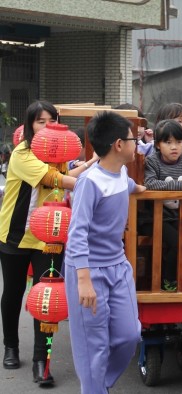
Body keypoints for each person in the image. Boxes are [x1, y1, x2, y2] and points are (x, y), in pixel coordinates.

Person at [64, 111, 145, 394]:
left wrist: (144, 188)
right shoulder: (89, 182)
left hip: (118, 266)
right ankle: (94, 388)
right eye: (134, 139)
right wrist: (83, 280)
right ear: (118, 145)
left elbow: (127, 186)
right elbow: (77, 234)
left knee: (129, 335)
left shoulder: (121, 172)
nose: (138, 144)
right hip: (89, 270)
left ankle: (98, 386)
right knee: (93, 346)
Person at [0, 100, 77, 385]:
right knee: (14, 291)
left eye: (51, 121)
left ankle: (40, 363)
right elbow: (52, 178)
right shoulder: (22, 153)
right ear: (30, 125)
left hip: (48, 238)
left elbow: (65, 178)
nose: (46, 127)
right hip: (15, 235)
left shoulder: (60, 155)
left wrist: (94, 164)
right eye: (40, 122)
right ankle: (10, 345)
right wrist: (88, 180)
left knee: (47, 298)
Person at [143, 119, 182, 291]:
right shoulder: (152, 161)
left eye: (179, 142)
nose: (174, 147)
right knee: (176, 241)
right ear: (158, 145)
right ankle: (169, 279)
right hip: (157, 217)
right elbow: (150, 184)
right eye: (168, 142)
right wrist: (180, 185)